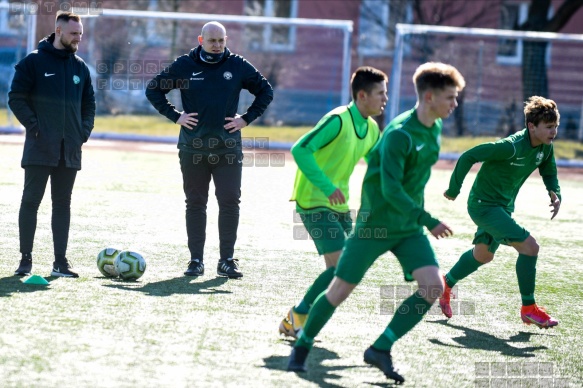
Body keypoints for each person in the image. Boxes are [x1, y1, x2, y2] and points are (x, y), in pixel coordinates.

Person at [287, 62, 466, 383]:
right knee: (339, 289)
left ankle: (381, 348)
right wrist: (428, 219)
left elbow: (386, 168)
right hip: (374, 226)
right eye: (451, 97)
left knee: (433, 287)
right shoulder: (399, 134)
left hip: (407, 228)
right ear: (428, 97)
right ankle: (302, 343)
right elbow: (390, 187)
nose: (455, 104)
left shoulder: (432, 129)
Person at [146, 21, 273, 279]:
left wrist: (245, 119)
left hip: (227, 149)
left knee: (229, 201)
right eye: (212, 41)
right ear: (201, 40)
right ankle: (196, 260)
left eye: (221, 41)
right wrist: (175, 116)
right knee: (195, 203)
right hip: (193, 149)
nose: (217, 46)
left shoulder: (237, 65)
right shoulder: (184, 65)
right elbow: (153, 90)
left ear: (226, 40)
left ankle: (226, 260)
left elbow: (265, 91)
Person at [279, 66, 388, 338]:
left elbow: (378, 168)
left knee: (342, 271)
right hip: (313, 202)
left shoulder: (373, 129)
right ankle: (299, 315)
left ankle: (297, 320)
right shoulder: (338, 119)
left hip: (340, 206)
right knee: (342, 266)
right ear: (362, 95)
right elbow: (300, 149)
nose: (385, 99)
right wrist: (327, 187)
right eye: (380, 94)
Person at [439, 96, 561, 329]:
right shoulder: (511, 146)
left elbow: (549, 171)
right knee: (530, 247)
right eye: (549, 127)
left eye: (555, 126)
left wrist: (555, 192)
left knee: (483, 255)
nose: (553, 132)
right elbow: (469, 156)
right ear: (531, 127)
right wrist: (454, 189)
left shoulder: (545, 147)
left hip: (502, 207)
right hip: (484, 206)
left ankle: (445, 284)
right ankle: (528, 308)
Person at [9, 11, 95, 278]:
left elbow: (89, 104)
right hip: (39, 146)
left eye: (80, 33)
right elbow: (16, 98)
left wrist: (83, 132)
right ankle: (25, 260)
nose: (78, 38)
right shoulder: (33, 62)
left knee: (62, 204)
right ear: (58, 31)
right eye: (73, 33)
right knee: (31, 201)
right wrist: (34, 126)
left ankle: (60, 262)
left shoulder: (80, 67)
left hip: (69, 148)